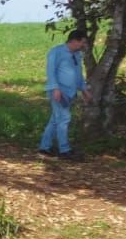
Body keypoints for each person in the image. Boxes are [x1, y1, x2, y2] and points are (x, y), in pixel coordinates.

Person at [39, 29, 91, 160]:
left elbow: (78, 74)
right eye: (82, 42)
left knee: (56, 120)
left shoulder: (77, 55)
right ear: (74, 41)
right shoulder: (56, 52)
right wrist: (55, 88)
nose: (83, 45)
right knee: (64, 119)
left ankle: (44, 148)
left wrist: (84, 89)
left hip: (70, 92)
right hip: (59, 92)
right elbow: (51, 72)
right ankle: (64, 150)